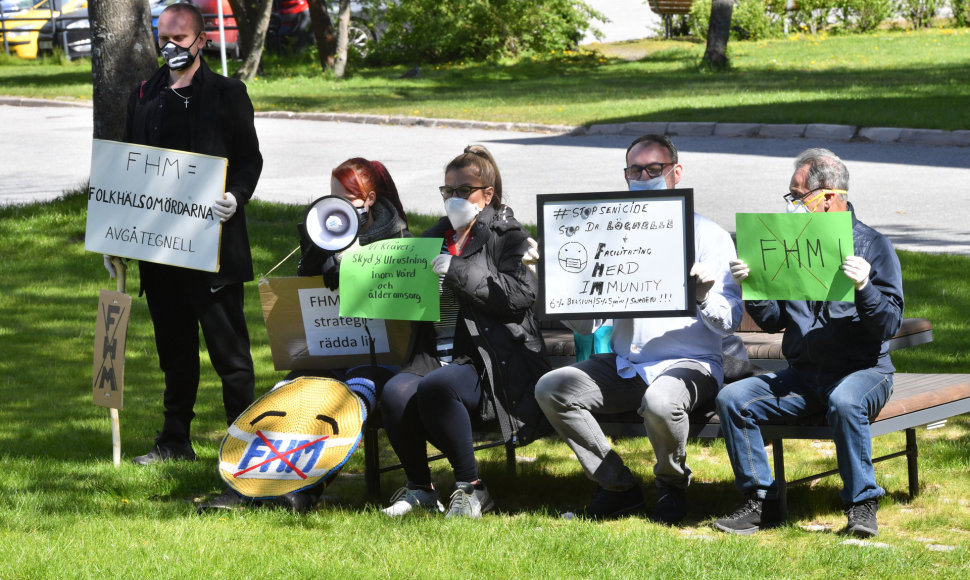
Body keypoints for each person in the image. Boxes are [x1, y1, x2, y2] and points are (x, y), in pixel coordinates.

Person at [531, 134, 743, 523]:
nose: (643, 176)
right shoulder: (609, 233)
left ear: (676, 173)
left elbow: (727, 322)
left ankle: (672, 486)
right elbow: (587, 322)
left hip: (691, 363)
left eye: (654, 169)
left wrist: (702, 296)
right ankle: (617, 486)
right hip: (626, 364)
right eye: (635, 169)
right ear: (624, 175)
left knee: (662, 401)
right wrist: (552, 284)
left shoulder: (709, 236)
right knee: (552, 388)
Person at [198, 157, 409, 513]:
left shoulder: (399, 239)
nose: (337, 206)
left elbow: (405, 314)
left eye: (347, 198)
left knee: (347, 406)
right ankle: (245, 489)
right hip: (327, 354)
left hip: (379, 361)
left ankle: (304, 490)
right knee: (285, 401)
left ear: (369, 199)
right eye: (332, 197)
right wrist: (316, 258)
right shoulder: (324, 234)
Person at [712, 148, 904, 537]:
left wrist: (864, 286)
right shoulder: (790, 244)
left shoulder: (871, 246)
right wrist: (754, 286)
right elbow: (773, 322)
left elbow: (888, 325)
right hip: (802, 375)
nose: (792, 206)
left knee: (845, 400)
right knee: (734, 400)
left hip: (864, 371)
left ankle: (862, 505)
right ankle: (761, 502)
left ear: (830, 197)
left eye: (798, 197)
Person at [105, 2, 263, 465]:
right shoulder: (143, 93)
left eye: (179, 38)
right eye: (164, 37)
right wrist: (116, 237)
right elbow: (128, 168)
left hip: (213, 246)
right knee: (174, 351)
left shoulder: (228, 93)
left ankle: (244, 444)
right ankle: (175, 441)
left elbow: (249, 159)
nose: (170, 46)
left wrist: (236, 195)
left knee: (229, 353)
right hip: (159, 246)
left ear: (202, 40)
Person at [378, 145, 551, 518]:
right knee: (393, 392)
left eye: (463, 190)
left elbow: (519, 296)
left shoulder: (507, 235)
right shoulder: (432, 237)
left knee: (438, 387)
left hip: (487, 358)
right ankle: (420, 488)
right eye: (447, 191)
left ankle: (471, 486)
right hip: (433, 354)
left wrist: (455, 270)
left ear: (487, 194)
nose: (453, 198)